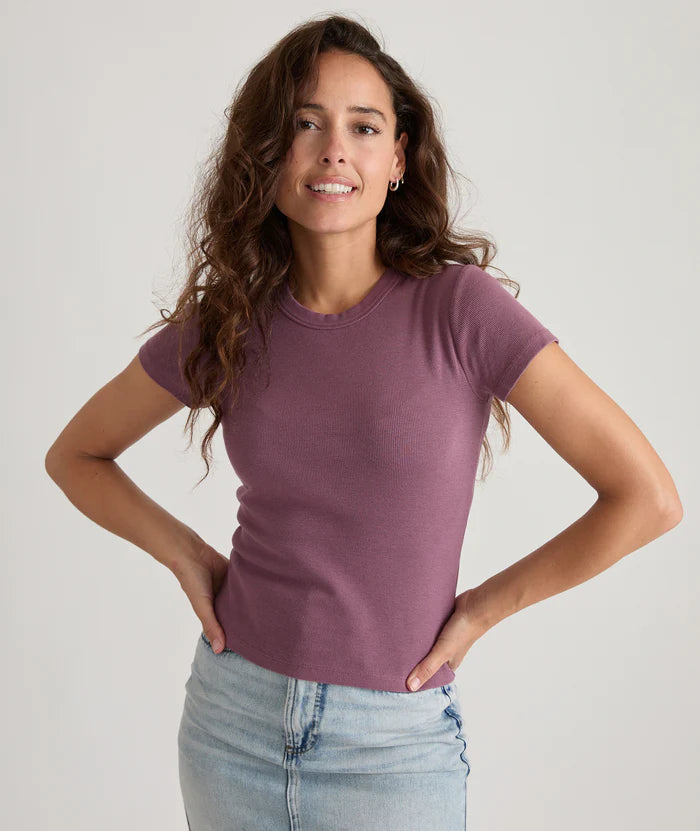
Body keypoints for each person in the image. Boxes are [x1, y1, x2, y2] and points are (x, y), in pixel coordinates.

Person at [44, 14, 683, 831]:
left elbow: (647, 497)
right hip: (231, 722)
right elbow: (76, 455)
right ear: (268, 153)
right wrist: (186, 555)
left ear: (398, 159)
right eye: (305, 123)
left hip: (393, 749)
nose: (334, 150)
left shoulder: (460, 311)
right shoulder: (231, 320)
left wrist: (482, 609)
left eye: (364, 127)